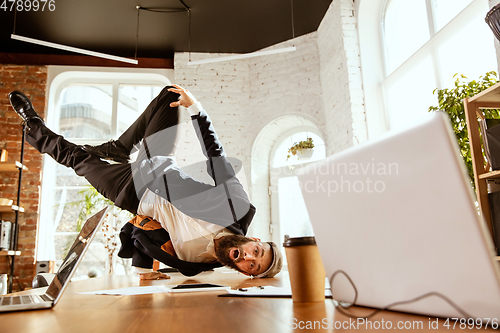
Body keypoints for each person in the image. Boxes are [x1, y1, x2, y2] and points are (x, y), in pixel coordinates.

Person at [8, 85, 282, 280]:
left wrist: (143, 272)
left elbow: (143, 237)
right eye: (255, 252)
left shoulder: (193, 264)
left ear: (247, 275)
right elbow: (216, 157)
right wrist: (197, 109)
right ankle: (118, 147)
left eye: (253, 266)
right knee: (171, 95)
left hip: (130, 193)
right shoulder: (237, 207)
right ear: (254, 240)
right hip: (157, 166)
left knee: (77, 159)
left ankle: (32, 123)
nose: (247, 258)